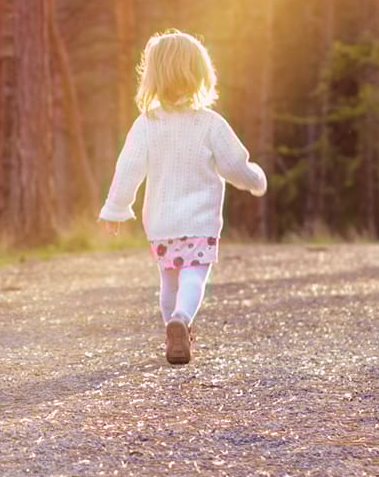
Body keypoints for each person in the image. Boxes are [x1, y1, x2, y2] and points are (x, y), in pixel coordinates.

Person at [99, 29, 267, 366]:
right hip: (200, 220)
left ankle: (171, 330)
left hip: (161, 221)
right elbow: (235, 165)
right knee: (194, 274)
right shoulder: (209, 124)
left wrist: (115, 209)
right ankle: (182, 320)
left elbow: (128, 167)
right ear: (201, 74)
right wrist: (256, 180)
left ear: (153, 77)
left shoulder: (146, 124)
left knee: (169, 277)